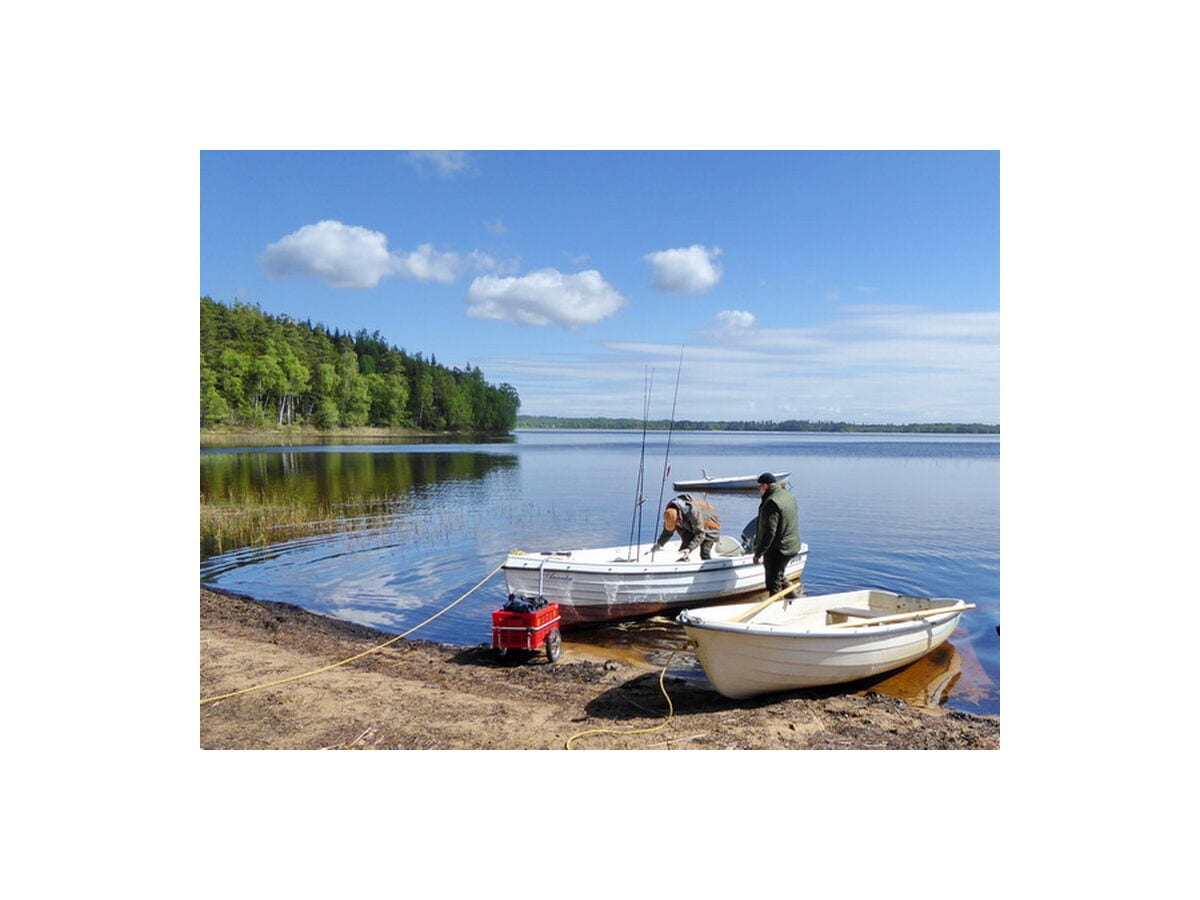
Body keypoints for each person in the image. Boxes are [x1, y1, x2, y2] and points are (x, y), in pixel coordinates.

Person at [752, 472, 801, 594]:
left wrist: (759, 553)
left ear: (765, 486)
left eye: (759, 487)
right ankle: (793, 596)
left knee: (773, 581)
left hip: (779, 549)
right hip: (792, 544)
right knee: (779, 574)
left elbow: (770, 531)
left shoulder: (772, 502)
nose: (759, 490)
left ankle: (775, 607)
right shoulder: (788, 496)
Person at [652, 494, 721, 560]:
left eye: (677, 523)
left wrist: (689, 548)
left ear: (679, 518)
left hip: (709, 527)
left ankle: (708, 567)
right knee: (682, 551)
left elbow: (700, 534)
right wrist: (659, 543)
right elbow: (668, 531)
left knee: (704, 553)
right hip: (690, 526)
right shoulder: (670, 513)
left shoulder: (693, 512)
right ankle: (684, 562)